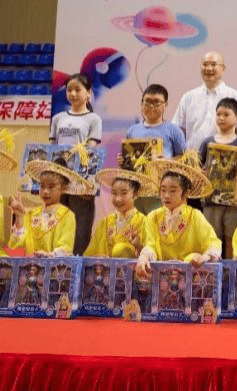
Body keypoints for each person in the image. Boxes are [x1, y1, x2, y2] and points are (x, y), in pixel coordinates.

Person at [135, 156, 220, 278]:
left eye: (173, 191)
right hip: (161, 278)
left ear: (186, 193)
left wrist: (203, 257)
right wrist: (144, 257)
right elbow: (150, 244)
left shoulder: (194, 216)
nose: (166, 195)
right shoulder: (153, 217)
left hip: (190, 277)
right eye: (163, 190)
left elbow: (213, 243)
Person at [49, 73, 101, 255]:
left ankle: (78, 261)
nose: (72, 94)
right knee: (58, 220)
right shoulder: (58, 118)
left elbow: (91, 150)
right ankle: (56, 259)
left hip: (81, 179)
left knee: (81, 225)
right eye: (69, 90)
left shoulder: (94, 119)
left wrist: (81, 172)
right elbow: (52, 148)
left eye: (77, 90)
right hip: (59, 178)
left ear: (88, 93)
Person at [197, 97, 237, 260]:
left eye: (226, 114)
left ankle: (229, 271)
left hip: (234, 202)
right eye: (218, 114)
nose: (221, 118)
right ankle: (213, 271)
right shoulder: (207, 142)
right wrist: (201, 173)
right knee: (212, 239)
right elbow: (198, 169)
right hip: (211, 201)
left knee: (232, 238)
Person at [172, 51, 237, 152]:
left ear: (223, 69)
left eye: (213, 65)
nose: (209, 69)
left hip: (224, 157)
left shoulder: (236, 96)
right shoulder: (188, 97)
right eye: (205, 64)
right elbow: (178, 130)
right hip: (192, 158)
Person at [8, 160, 90, 257]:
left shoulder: (67, 215)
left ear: (63, 188)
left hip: (54, 266)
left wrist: (49, 256)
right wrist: (19, 217)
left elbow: (66, 247)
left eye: (51, 187)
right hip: (29, 265)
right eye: (42, 186)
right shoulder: (30, 214)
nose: (45, 191)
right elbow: (16, 247)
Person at [125, 84, 186, 214]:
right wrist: (123, 160)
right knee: (137, 225)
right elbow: (128, 161)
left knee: (160, 225)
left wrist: (167, 162)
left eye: (156, 102)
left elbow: (184, 159)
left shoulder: (173, 130)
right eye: (147, 102)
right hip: (137, 191)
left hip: (162, 192)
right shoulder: (132, 130)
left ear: (165, 105)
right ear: (141, 104)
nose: (151, 106)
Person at [86, 168, 156, 258]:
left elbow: (151, 251)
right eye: (114, 193)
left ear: (135, 194)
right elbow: (91, 253)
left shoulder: (143, 222)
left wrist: (138, 246)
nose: (118, 199)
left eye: (124, 193)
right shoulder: (106, 223)